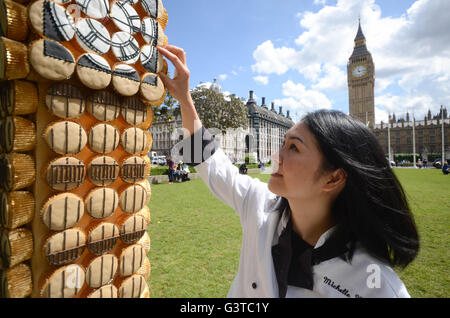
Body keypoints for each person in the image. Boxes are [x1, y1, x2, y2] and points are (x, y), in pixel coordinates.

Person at [157, 44, 419, 298]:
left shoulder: (376, 285)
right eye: (283, 144)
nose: (276, 156)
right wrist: (183, 97)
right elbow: (210, 162)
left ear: (334, 177)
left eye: (293, 147)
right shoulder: (260, 205)